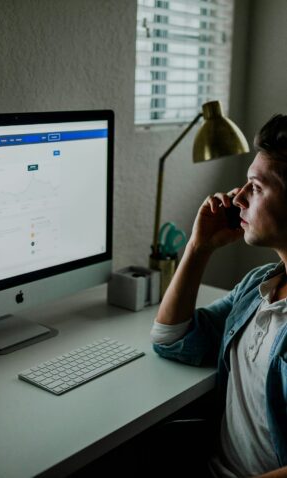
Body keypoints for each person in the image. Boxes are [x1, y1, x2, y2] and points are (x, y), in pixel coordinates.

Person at [150, 114, 287, 478]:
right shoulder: (260, 287)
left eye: (256, 188)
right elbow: (172, 339)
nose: (237, 198)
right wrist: (198, 248)